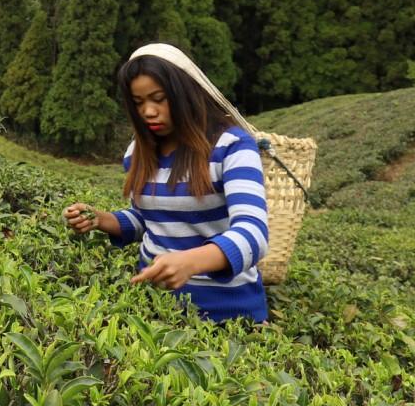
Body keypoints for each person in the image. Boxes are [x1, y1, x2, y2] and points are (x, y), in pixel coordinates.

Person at [64, 43, 269, 322]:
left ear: (184, 93)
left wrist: (191, 262)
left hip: (227, 314)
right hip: (154, 310)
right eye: (138, 103)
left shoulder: (231, 146)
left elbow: (254, 233)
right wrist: (101, 220)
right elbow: (147, 219)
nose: (148, 111)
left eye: (158, 98)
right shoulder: (138, 151)